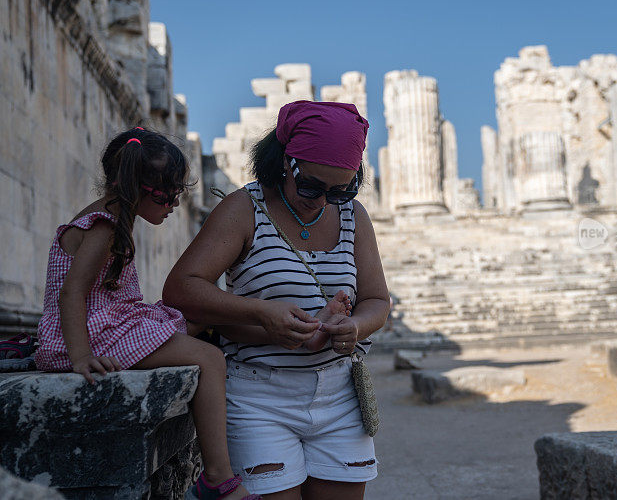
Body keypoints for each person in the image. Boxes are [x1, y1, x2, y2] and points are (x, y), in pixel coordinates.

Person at [163, 101, 391, 499]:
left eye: (341, 190)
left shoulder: (354, 216)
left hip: (340, 398)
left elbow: (376, 300)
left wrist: (354, 325)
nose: (322, 201)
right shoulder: (243, 209)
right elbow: (182, 289)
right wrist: (261, 313)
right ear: (286, 161)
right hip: (258, 398)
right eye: (311, 186)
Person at [34, 128, 258, 500]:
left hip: (111, 321)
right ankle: (219, 478)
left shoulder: (113, 217)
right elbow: (71, 292)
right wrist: (81, 357)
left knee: (206, 315)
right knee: (210, 358)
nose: (173, 205)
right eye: (170, 195)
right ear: (140, 188)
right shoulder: (104, 226)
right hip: (93, 335)